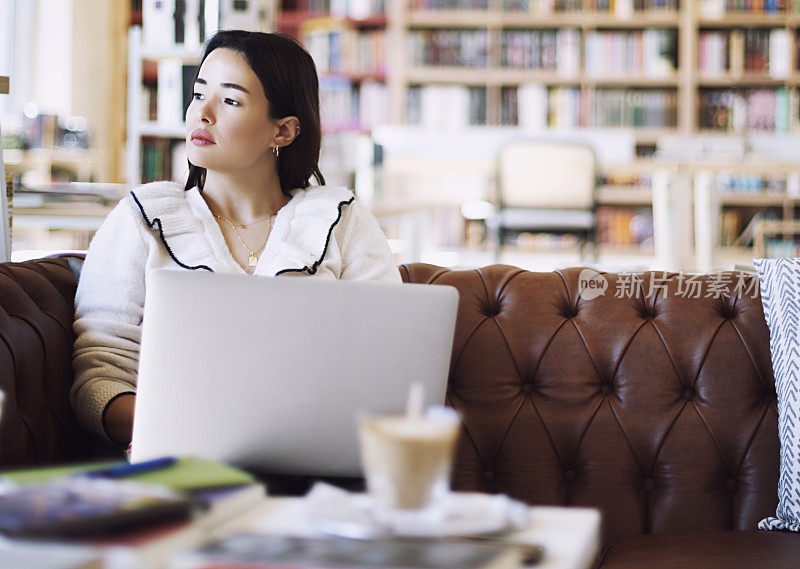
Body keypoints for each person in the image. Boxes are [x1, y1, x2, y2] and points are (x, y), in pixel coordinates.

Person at [71, 31, 401, 448]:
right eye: (197, 94)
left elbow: (390, 361)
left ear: (282, 131)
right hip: (181, 467)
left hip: (317, 467)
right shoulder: (142, 219)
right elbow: (99, 378)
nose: (202, 114)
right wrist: (194, 430)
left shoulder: (341, 220)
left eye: (230, 100)